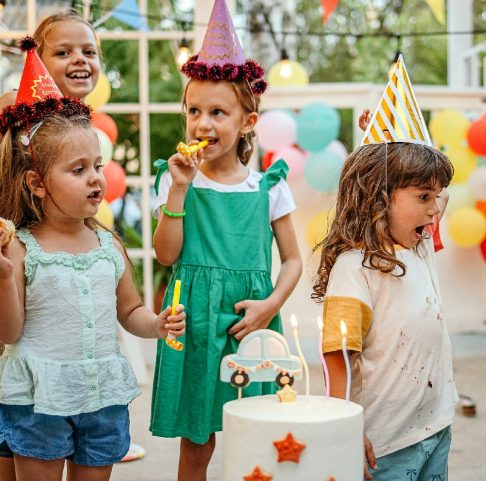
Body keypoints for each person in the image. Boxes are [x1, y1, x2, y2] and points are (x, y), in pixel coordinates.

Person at [0, 40, 185, 481]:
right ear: (36, 182)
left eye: (96, 165)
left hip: (99, 395)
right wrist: (2, 272)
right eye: (78, 170)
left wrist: (157, 324)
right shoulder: (20, 248)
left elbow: (128, 310)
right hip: (38, 399)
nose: (96, 178)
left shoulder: (107, 244)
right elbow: (6, 332)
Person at [147, 1, 302, 479]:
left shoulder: (269, 186)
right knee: (198, 439)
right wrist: (178, 189)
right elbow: (166, 254)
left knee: (255, 430)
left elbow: (294, 260)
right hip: (191, 318)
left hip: (249, 321)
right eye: (194, 110)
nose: (203, 124)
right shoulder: (174, 180)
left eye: (218, 112)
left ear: (247, 123)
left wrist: (269, 303)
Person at [0, 12, 100, 479]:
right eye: (64, 51)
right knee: (5, 371)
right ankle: (9, 457)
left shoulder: (79, 123)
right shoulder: (14, 103)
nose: (79, 60)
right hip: (1, 258)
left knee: (38, 373)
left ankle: (29, 452)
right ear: (39, 58)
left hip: (49, 264)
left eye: (88, 52)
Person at [312, 55, 456, 481]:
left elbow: (434, 197)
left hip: (437, 425)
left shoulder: (420, 247)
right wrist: (345, 426)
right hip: (386, 444)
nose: (434, 211)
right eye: (423, 197)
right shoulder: (354, 268)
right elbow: (337, 353)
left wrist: (388, 145)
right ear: (377, 198)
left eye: (436, 198)